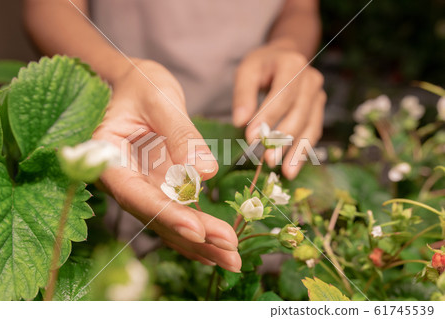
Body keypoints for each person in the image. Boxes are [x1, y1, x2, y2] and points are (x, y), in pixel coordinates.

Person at [24, 0, 326, 273]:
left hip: (255, 131)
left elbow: (299, 9)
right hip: (133, 134)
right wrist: (121, 74)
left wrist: (288, 46)